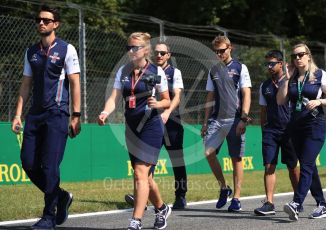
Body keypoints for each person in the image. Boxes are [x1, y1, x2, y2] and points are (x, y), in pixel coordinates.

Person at [11, 5, 81, 230]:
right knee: (29, 162)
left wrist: (76, 115)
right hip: (35, 115)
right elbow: (25, 85)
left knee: (51, 166)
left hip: (58, 114)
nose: (41, 23)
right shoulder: (30, 52)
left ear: (55, 24)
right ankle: (61, 196)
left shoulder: (67, 49)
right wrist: (18, 114)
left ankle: (49, 216)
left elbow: (75, 83)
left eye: (47, 20)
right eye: (39, 19)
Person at [98, 32, 171, 230]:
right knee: (145, 177)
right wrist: (105, 111)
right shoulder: (123, 71)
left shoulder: (156, 71)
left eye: (135, 48)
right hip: (132, 128)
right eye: (128, 48)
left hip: (151, 126)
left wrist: (158, 103)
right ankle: (162, 208)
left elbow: (167, 100)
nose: (131, 51)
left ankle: (135, 221)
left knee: (140, 174)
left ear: (146, 50)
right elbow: (114, 97)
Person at [277, 43, 326, 220]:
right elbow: (281, 101)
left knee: (307, 164)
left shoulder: (320, 75)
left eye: (301, 54)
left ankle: (297, 203)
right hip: (296, 127)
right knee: (309, 166)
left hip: (315, 125)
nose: (297, 58)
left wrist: (319, 102)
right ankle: (322, 205)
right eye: (294, 56)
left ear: (308, 56)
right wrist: (286, 79)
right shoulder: (292, 77)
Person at [125, 42, 187, 210]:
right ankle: (141, 197)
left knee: (176, 159)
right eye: (157, 53)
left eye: (162, 53)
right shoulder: (146, 70)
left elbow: (177, 97)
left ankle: (180, 195)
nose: (159, 55)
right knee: (143, 162)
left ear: (168, 55)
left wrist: (166, 111)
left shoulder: (175, 72)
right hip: (150, 122)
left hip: (171, 121)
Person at [200, 35, 252, 212]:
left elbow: (246, 93)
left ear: (230, 48)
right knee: (208, 152)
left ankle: (236, 198)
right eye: (216, 52)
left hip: (235, 118)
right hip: (217, 119)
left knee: (236, 158)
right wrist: (205, 122)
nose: (219, 54)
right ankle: (224, 187)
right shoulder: (213, 70)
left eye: (222, 51)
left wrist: (244, 117)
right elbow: (210, 96)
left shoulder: (240, 67)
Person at [254, 50, 300, 216]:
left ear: (281, 63)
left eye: (272, 63)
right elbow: (262, 110)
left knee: (293, 167)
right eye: (267, 64)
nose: (269, 67)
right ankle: (269, 203)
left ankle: (297, 201)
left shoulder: (293, 82)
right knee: (269, 166)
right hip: (270, 131)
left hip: (289, 131)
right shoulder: (264, 85)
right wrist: (263, 130)